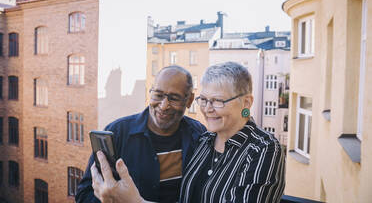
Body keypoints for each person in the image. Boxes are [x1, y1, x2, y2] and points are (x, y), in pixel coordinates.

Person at [89, 61, 285, 203]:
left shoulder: (263, 149)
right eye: (205, 100)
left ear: (247, 103)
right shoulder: (205, 140)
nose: (208, 109)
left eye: (217, 101)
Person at [75, 65, 206, 203]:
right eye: (158, 95)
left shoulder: (199, 136)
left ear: (190, 100)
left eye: (174, 98)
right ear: (150, 92)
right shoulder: (118, 133)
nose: (163, 105)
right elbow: (84, 196)